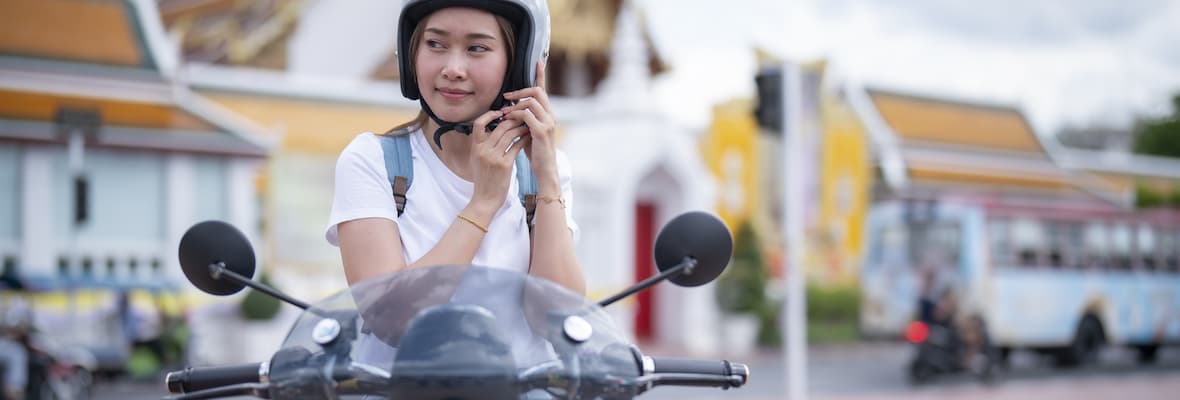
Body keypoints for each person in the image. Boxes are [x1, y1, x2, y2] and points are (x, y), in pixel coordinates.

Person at [325, 0, 584, 296]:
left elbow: (559, 316)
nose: (453, 69)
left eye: (476, 48)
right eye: (435, 43)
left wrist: (547, 178)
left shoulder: (543, 170)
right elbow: (387, 316)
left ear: (518, 65)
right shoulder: (373, 162)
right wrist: (483, 203)